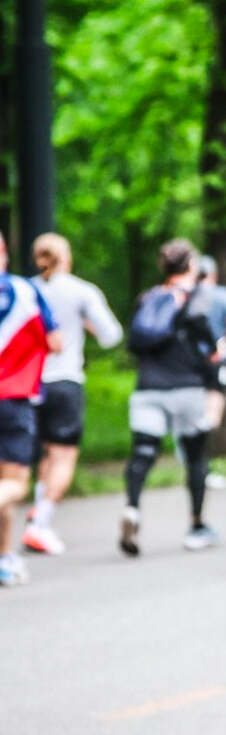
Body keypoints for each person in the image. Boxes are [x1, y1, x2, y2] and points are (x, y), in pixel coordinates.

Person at [22, 233, 122, 556]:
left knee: (46, 454)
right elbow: (111, 335)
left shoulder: (24, 290)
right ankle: (40, 523)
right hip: (65, 380)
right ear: (66, 257)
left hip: (29, 384)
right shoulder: (81, 291)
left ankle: (38, 514)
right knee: (63, 456)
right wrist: (87, 326)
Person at [120, 238, 221, 556]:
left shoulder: (147, 298)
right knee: (195, 458)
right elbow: (212, 349)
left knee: (142, 453)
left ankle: (132, 508)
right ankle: (197, 525)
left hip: (148, 388)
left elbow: (134, 344)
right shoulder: (197, 299)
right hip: (187, 388)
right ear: (191, 265)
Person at [0, 229, 61, 587]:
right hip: (13, 398)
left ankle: (4, 557)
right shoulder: (24, 291)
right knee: (14, 485)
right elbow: (55, 341)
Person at [188, 254, 226, 441]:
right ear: (213, 275)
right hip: (217, 358)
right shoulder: (223, 294)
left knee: (189, 411)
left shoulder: (187, 294)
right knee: (212, 413)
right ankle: (201, 445)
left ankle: (189, 448)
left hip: (188, 360)